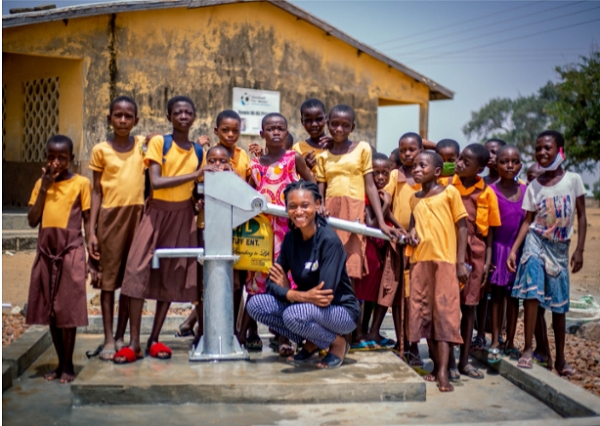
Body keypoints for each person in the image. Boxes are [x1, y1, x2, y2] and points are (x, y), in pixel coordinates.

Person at [116, 96, 209, 363]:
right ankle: (133, 342)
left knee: (170, 276)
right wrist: (195, 175)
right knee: (136, 272)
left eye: (188, 112)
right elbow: (156, 181)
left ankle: (154, 338)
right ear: (169, 117)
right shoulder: (160, 143)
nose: (183, 115)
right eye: (177, 112)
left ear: (194, 117)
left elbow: (195, 188)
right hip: (156, 213)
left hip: (183, 216)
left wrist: (196, 197)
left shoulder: (198, 151)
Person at [247, 181, 360, 369]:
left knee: (294, 314)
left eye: (305, 205)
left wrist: (290, 292)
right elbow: (271, 284)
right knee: (256, 305)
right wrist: (294, 294)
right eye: (293, 206)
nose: (299, 211)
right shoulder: (291, 238)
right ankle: (314, 340)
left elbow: (325, 295)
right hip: (306, 306)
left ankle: (337, 343)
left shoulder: (328, 240)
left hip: (341, 311)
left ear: (317, 205)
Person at [315, 104, 400, 346]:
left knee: (351, 274)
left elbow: (370, 185)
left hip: (355, 215)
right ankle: (330, 334)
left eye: (344, 124)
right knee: (330, 273)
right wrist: (320, 205)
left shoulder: (362, 149)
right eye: (334, 124)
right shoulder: (323, 156)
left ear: (352, 126)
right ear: (328, 125)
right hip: (331, 215)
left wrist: (381, 222)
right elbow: (320, 189)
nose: (339, 128)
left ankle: (349, 335)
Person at [508, 130, 587, 376]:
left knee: (559, 305)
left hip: (560, 248)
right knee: (532, 294)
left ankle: (561, 359)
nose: (542, 152)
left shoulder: (573, 180)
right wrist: (514, 250)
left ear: (560, 150)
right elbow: (527, 220)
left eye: (547, 148)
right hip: (535, 241)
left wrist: (580, 250)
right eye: (538, 148)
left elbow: (582, 216)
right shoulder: (533, 186)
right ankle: (529, 349)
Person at [241, 113, 315, 353]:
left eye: (280, 128)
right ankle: (244, 335)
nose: (275, 132)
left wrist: (311, 207)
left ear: (286, 133)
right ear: (262, 134)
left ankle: (284, 338)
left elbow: (311, 185)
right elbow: (247, 195)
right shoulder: (253, 165)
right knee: (257, 285)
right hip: (261, 234)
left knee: (286, 283)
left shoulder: (294, 159)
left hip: (288, 235)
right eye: (270, 129)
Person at [177, 109, 251, 341]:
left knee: (235, 281)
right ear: (216, 131)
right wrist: (196, 203)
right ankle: (203, 328)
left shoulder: (243, 156)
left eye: (235, 130)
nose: (230, 134)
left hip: (235, 227)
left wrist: (233, 176)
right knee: (206, 278)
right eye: (225, 130)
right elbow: (195, 186)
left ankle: (232, 329)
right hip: (207, 226)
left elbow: (248, 189)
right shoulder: (205, 154)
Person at [26, 135, 91, 383]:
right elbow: (33, 220)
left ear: (71, 159)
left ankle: (68, 364)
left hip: (70, 250)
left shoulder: (81, 183)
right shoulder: (41, 185)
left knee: (68, 307)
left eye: (62, 157)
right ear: (45, 157)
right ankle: (60, 360)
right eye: (51, 157)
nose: (56, 162)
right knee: (51, 310)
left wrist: (89, 252)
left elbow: (86, 219)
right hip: (46, 251)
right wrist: (44, 187)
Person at [86, 96, 144, 361]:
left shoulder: (143, 146)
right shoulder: (100, 150)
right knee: (108, 282)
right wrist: (91, 230)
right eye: (117, 115)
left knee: (132, 281)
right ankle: (109, 338)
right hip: (109, 218)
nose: (122, 120)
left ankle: (124, 336)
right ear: (109, 118)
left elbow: (165, 144)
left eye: (128, 116)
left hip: (138, 217)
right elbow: (96, 191)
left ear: (136, 120)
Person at [405, 151, 468, 392]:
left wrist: (459, 262)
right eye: (415, 166)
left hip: (444, 262)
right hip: (420, 262)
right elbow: (413, 226)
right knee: (426, 315)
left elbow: (462, 227)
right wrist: (410, 233)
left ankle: (443, 372)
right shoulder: (414, 198)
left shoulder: (450, 193)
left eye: (423, 165)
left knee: (444, 315)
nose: (416, 169)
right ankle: (434, 365)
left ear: (438, 171)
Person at [452, 143, 501, 379]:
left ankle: (464, 361)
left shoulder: (487, 193)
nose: (459, 163)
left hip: (477, 254)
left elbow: (490, 232)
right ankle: (448, 360)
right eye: (459, 158)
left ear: (479, 169)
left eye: (465, 162)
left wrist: (487, 264)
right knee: (449, 307)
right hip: (450, 251)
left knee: (469, 306)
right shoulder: (447, 186)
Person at [383, 132, 425, 363]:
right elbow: (386, 207)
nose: (407, 154)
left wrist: (414, 231)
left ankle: (414, 345)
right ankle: (402, 343)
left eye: (413, 149)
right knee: (399, 295)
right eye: (403, 150)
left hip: (419, 245)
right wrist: (401, 229)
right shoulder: (394, 175)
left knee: (414, 297)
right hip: (398, 242)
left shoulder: (425, 176)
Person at [359, 153, 405, 350]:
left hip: (379, 248)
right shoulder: (367, 195)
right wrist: (385, 204)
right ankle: (359, 333)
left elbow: (389, 218)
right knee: (363, 294)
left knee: (372, 294)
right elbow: (371, 223)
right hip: (368, 248)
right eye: (375, 173)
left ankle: (370, 332)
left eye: (384, 173)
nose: (380, 177)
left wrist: (400, 228)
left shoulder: (380, 192)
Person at [487, 145, 525, 362]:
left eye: (515, 161)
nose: (510, 166)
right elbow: (489, 228)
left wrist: (517, 249)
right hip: (498, 249)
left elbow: (527, 222)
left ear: (520, 164)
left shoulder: (526, 191)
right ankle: (495, 340)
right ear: (496, 164)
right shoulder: (491, 191)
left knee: (514, 298)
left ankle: (510, 341)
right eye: (504, 161)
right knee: (497, 296)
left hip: (517, 250)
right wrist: (490, 256)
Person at [292, 98, 329, 170]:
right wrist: (304, 167)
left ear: (326, 118)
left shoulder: (336, 146)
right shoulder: (297, 149)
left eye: (318, 119)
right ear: (302, 121)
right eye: (308, 120)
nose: (314, 124)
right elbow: (292, 177)